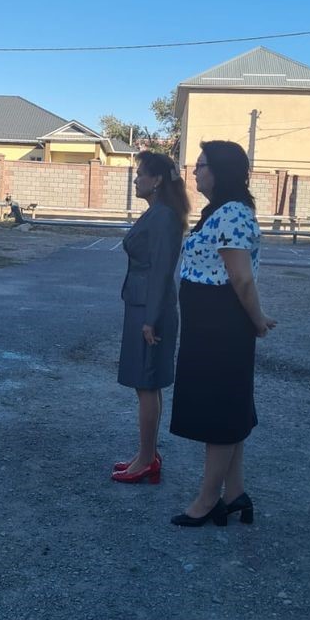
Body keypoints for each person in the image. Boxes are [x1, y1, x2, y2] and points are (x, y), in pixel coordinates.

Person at [169, 141, 276, 527]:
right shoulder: (222, 210)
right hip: (209, 323)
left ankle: (207, 500)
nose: (194, 172)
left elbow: (241, 278)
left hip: (221, 324)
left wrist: (258, 320)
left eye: (200, 165)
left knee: (219, 410)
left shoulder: (232, 213)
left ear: (220, 171)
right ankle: (234, 494)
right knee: (227, 407)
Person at [111, 152, 190, 484]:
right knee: (145, 383)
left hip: (149, 309)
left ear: (157, 180)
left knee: (146, 383)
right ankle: (147, 454)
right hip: (142, 305)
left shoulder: (163, 216)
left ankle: (146, 460)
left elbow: (161, 270)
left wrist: (151, 319)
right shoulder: (157, 212)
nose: (136, 178)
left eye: (141, 173)